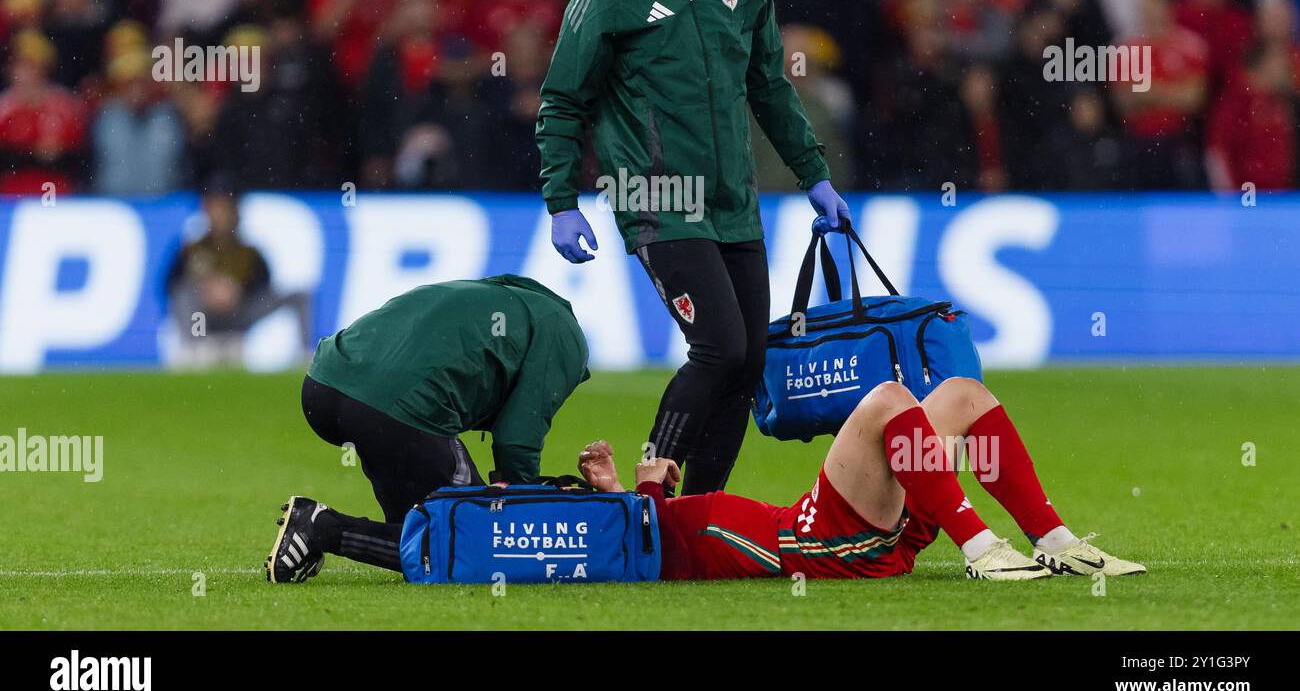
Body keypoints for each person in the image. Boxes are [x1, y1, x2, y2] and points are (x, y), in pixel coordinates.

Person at [535, 0, 850, 496]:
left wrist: (812, 173)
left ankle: (702, 512)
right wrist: (560, 200)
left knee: (749, 361)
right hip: (655, 198)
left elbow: (770, 88)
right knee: (719, 350)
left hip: (733, 201)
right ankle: (650, 493)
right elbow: (564, 98)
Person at [266, 377, 1143, 583]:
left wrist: (634, 489)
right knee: (886, 400)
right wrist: (630, 498)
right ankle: (978, 543)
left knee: (958, 393)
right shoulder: (637, 546)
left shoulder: (643, 523)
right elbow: (627, 555)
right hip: (820, 540)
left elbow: (632, 537)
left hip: (815, 523)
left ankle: (1053, 536)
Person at [299, 274, 591, 534]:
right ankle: (319, 528)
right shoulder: (566, 340)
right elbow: (517, 438)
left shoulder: (500, 294)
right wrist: (519, 514)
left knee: (419, 533)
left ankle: (333, 533)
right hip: (391, 407)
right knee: (473, 537)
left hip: (322, 385)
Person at [164, 185, 314, 365]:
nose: (221, 215)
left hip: (239, 314)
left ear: (235, 210)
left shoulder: (249, 252)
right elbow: (168, 285)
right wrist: (207, 289)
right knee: (183, 293)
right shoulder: (192, 248)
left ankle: (305, 353)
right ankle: (194, 348)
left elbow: (265, 286)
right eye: (215, 208)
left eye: (225, 208)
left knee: (300, 296)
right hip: (204, 318)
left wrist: (237, 292)